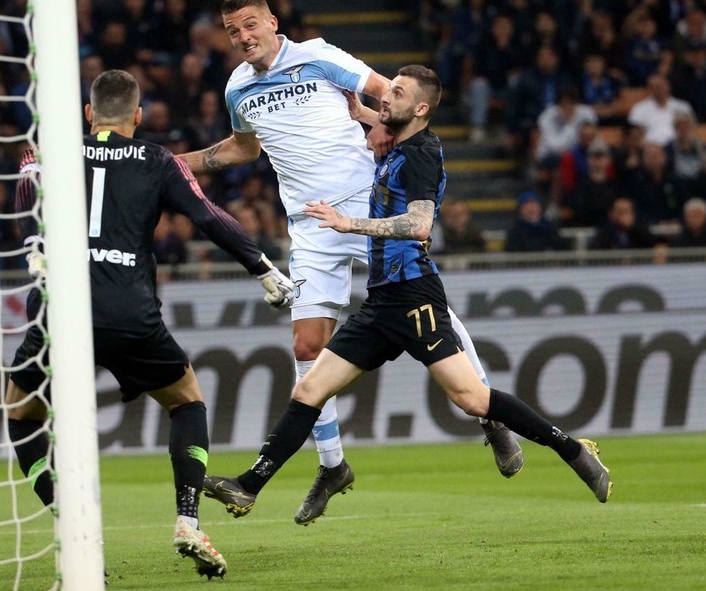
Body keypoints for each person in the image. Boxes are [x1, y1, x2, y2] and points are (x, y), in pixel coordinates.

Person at [202, 66, 613, 521]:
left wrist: (348, 223)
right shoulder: (400, 143)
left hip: (414, 295)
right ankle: (248, 486)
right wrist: (360, 113)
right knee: (310, 389)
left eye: (396, 93)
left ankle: (573, 450)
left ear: (420, 108)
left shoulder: (421, 154)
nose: (385, 96)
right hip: (381, 301)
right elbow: (383, 126)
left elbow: (419, 225)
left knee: (472, 398)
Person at [180, 0, 524, 527]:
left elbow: (389, 93)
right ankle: (332, 466)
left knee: (428, 309)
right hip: (310, 225)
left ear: (272, 22)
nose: (243, 37)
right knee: (306, 345)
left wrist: (380, 127)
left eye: (250, 24)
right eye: (232, 31)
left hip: (367, 205)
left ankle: (488, 416)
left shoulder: (318, 55)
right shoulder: (237, 87)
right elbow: (243, 148)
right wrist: (171, 164)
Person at [4, 69, 296, 579]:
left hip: (60, 311)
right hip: (129, 311)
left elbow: (28, 174)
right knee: (187, 402)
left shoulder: (51, 152)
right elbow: (208, 217)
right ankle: (188, 519)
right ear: (137, 116)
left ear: (89, 113)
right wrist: (263, 268)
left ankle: (70, 524)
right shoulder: (158, 160)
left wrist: (35, 245)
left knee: (21, 413)